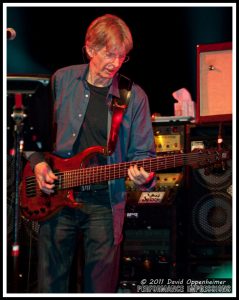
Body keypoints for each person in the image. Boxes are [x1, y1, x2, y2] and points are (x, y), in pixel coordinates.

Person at [25, 14, 156, 293]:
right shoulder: (61, 80)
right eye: (110, 54)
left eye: (122, 56)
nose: (116, 63)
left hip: (105, 202)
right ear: (90, 48)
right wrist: (37, 164)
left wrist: (144, 176)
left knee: (100, 287)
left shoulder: (134, 96)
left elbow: (143, 153)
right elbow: (32, 135)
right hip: (55, 197)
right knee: (51, 284)